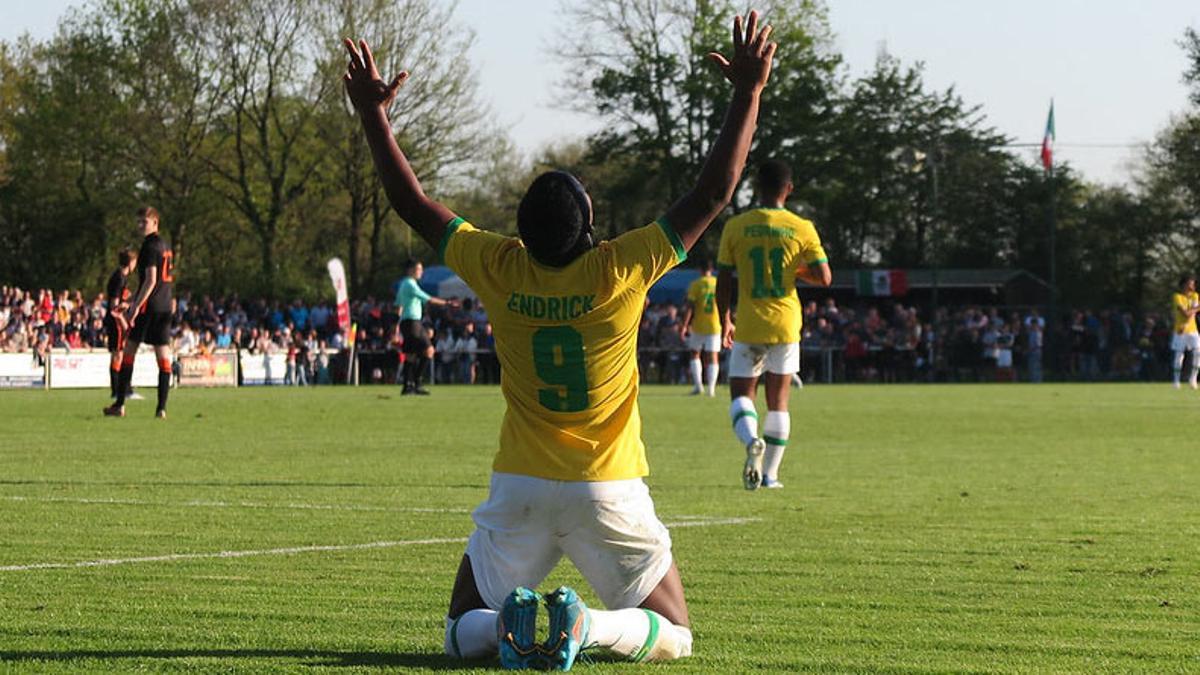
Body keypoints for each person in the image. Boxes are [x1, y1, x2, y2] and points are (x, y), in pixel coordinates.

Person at [344, 10, 773, 669]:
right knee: (676, 633)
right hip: (608, 484)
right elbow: (713, 192)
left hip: (519, 483)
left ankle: (509, 630)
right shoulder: (620, 268)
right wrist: (747, 92)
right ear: (590, 226)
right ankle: (590, 625)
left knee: (461, 629)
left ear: (522, 232)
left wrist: (374, 114)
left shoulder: (499, 265)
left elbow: (411, 203)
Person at [716, 159, 831, 490]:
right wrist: (797, 272)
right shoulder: (801, 227)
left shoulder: (736, 226)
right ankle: (770, 475)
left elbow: (724, 278)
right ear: (789, 189)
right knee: (778, 402)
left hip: (750, 323)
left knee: (741, 394)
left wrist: (725, 319)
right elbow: (824, 277)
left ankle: (752, 439)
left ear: (755, 186)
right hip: (785, 323)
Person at [104, 207, 175, 419]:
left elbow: (151, 280)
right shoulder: (165, 245)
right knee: (163, 358)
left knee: (129, 352)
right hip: (164, 306)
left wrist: (135, 307)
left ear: (155, 222)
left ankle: (120, 404)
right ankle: (161, 408)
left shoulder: (149, 246)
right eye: (139, 222)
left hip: (149, 307)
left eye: (144, 222)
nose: (140, 226)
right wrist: (133, 300)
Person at [395, 259, 455, 394]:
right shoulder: (410, 284)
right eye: (419, 269)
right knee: (429, 351)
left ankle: (406, 387)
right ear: (410, 270)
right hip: (412, 322)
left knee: (410, 355)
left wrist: (396, 327)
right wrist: (447, 302)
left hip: (407, 323)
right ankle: (416, 383)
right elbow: (427, 298)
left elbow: (398, 305)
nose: (421, 272)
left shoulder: (403, 284)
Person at [680, 259, 721, 396]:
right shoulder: (717, 283)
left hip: (698, 324)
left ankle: (698, 386)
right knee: (713, 356)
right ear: (712, 269)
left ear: (700, 270)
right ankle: (711, 389)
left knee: (694, 353)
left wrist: (685, 325)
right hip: (715, 324)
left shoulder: (696, 285)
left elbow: (690, 307)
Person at [103, 247, 139, 400]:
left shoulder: (121, 277)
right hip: (116, 321)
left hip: (117, 320)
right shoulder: (119, 278)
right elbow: (114, 305)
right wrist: (123, 321)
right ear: (131, 262)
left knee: (120, 354)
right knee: (118, 354)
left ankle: (122, 388)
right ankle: (118, 390)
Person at [1170, 274, 1200, 389]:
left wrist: (1193, 309)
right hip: (1180, 330)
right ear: (1184, 285)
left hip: (1193, 330)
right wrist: (1196, 308)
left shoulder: (1195, 296)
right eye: (1190, 283)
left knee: (1198, 353)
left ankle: (1193, 379)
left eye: (1193, 283)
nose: (1192, 285)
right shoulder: (1177, 297)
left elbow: (1192, 311)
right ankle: (1176, 381)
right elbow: (1186, 314)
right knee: (1179, 356)